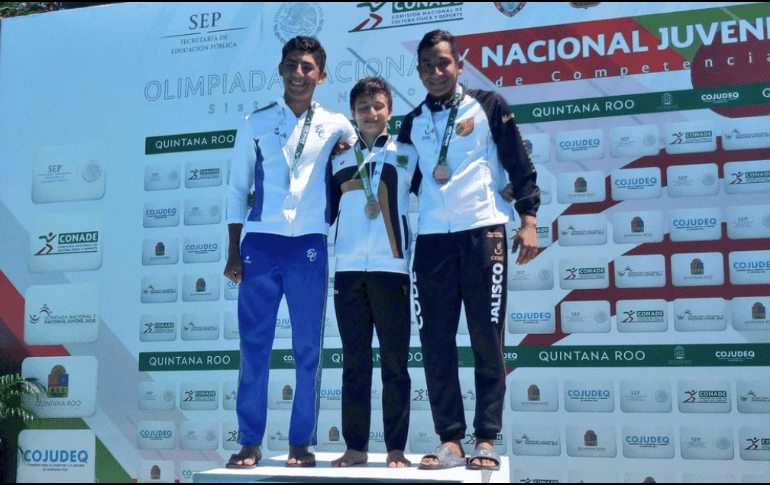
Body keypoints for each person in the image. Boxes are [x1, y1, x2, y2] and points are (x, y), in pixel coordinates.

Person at [397, 30, 540, 471]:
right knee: (435, 343)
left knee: (486, 340)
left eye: (443, 63)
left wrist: (529, 219)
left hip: (484, 234)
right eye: (427, 66)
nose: (436, 72)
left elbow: (519, 162)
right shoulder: (411, 121)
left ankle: (485, 439)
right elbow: (403, 181)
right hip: (433, 241)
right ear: (419, 71)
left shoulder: (489, 104)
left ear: (459, 64)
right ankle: (450, 440)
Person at [224, 35, 356, 469]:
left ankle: (301, 441)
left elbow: (362, 152)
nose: (299, 74)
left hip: (309, 248)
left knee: (307, 351)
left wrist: (354, 142)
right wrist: (232, 250)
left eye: (308, 67)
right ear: (280, 68)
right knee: (254, 346)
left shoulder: (337, 124)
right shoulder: (254, 122)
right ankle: (249, 440)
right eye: (292, 65)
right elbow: (237, 188)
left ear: (321, 74)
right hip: (259, 245)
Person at [327, 77, 417, 469]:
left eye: (378, 105)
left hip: (391, 270)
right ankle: (356, 447)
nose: (371, 113)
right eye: (363, 107)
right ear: (353, 113)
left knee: (395, 364)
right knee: (354, 363)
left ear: (389, 111)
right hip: (347, 271)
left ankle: (396, 446)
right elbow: (324, 213)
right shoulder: (339, 159)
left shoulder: (408, 154)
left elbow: (435, 200)